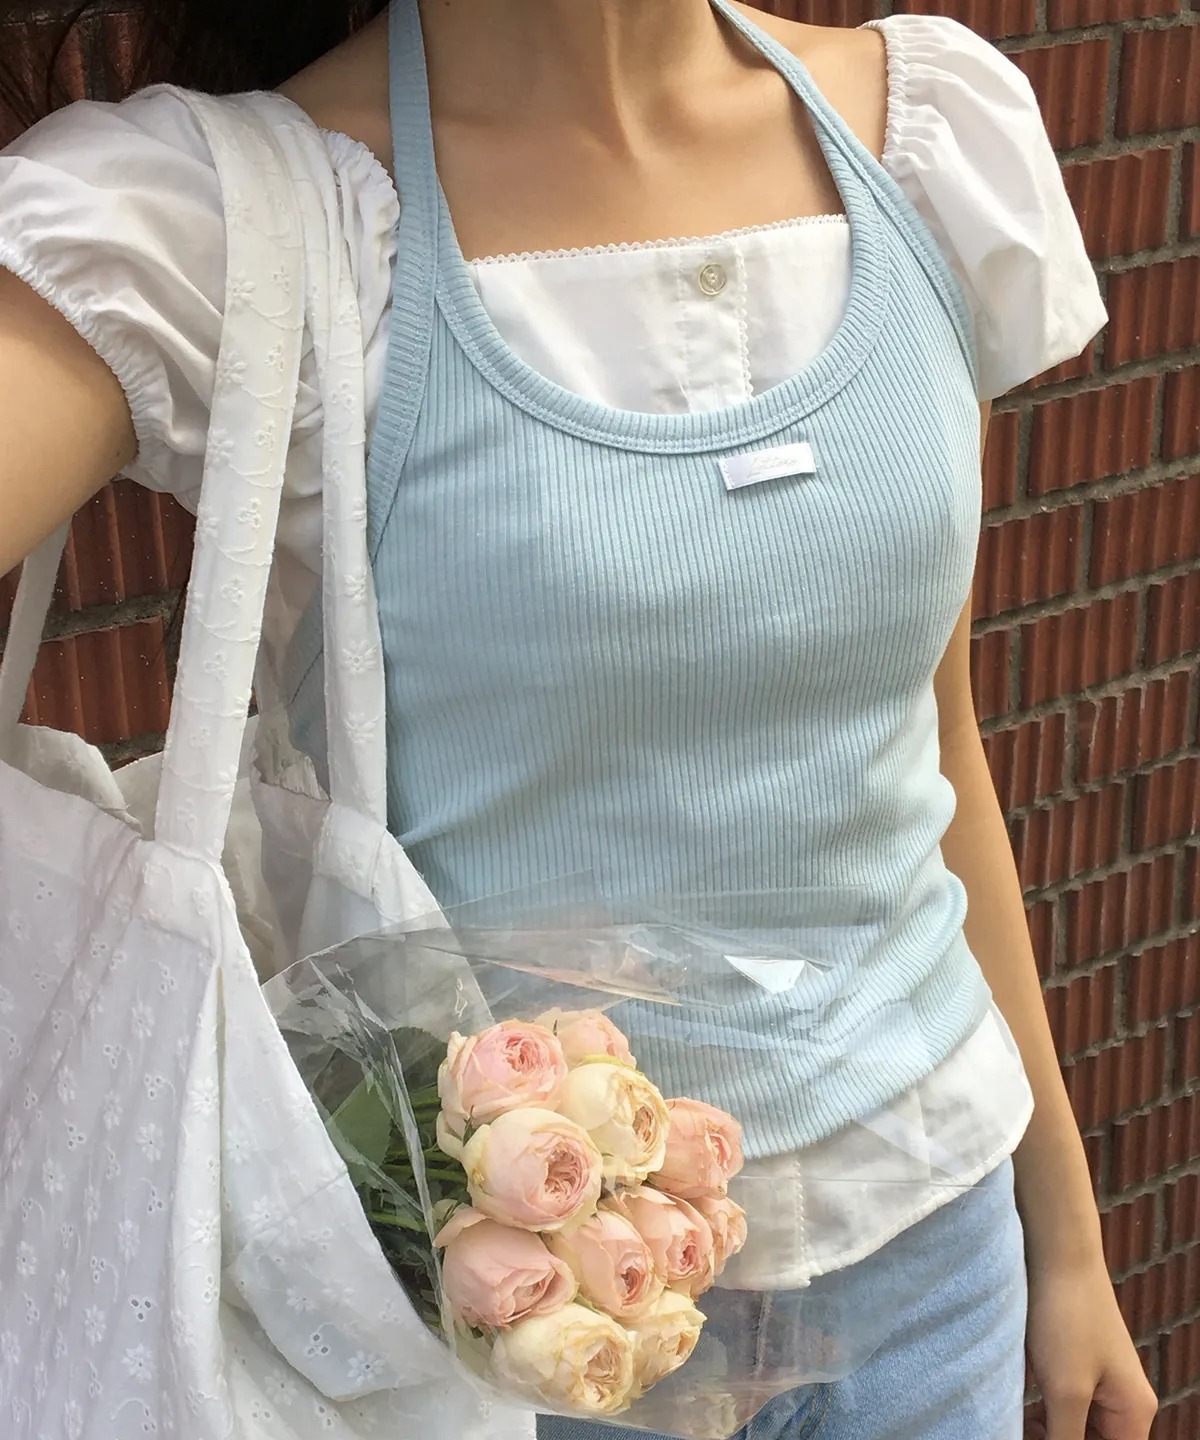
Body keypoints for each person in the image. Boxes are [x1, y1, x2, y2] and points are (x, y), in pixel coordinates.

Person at [0, 3, 1159, 1438]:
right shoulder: (240, 225)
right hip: (510, 1346)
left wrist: (1066, 1238)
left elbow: (937, 740)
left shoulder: (923, 140)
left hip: (941, 1268)